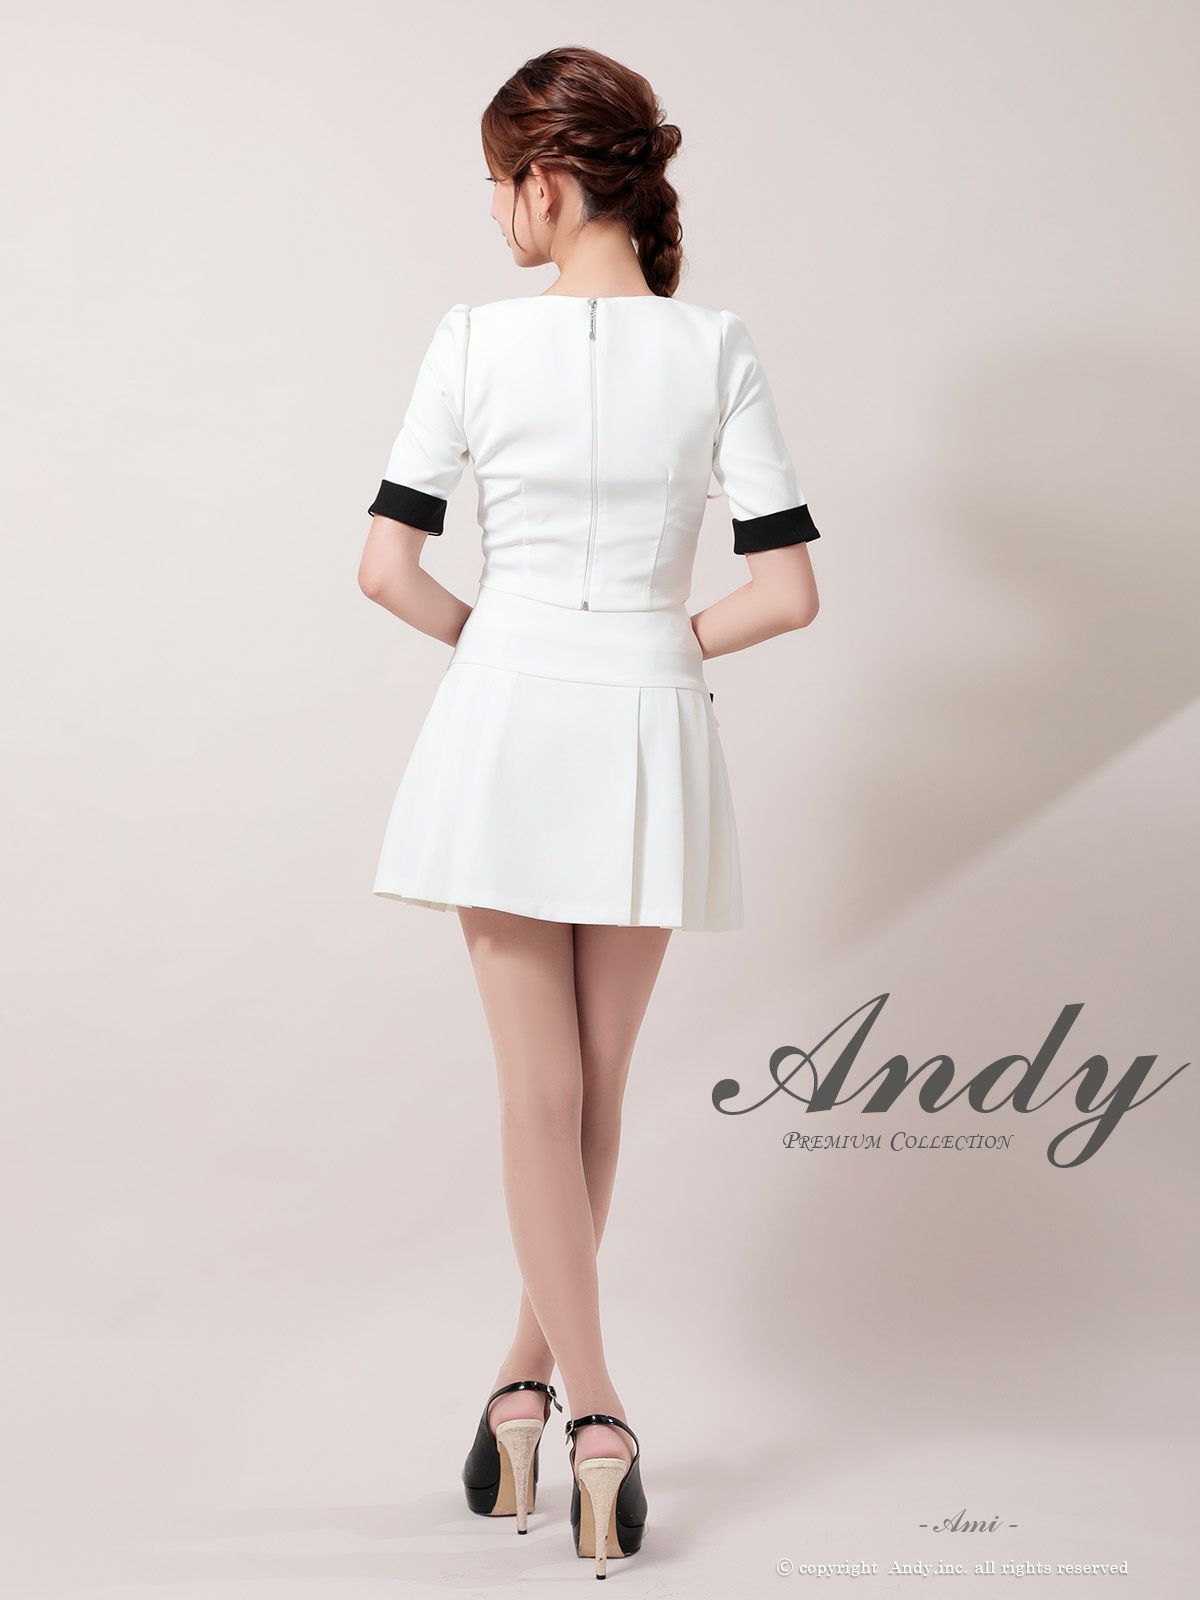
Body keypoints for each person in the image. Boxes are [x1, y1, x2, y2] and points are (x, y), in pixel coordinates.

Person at [356, 45, 822, 1578]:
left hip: (506, 723)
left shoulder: (473, 340)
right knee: (599, 1090)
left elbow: (386, 571)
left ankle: (588, 1410)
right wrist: (655, 646)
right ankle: (526, 1387)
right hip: (650, 729)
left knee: (534, 1098)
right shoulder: (717, 347)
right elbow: (787, 592)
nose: (495, 210)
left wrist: (501, 647)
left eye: (499, 183)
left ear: (547, 182)